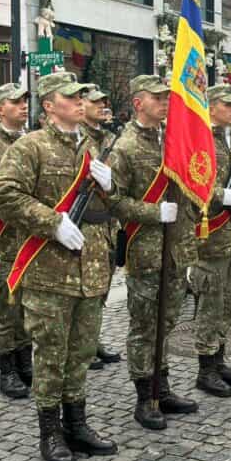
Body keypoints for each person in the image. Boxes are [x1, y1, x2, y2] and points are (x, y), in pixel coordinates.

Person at [0, 71, 118, 461]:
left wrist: (110, 187)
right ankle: (50, 432)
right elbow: (6, 195)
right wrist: (52, 223)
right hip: (49, 271)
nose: (81, 101)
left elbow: (103, 209)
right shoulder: (31, 147)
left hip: (91, 269)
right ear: (50, 105)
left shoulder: (91, 146)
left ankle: (77, 424)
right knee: (50, 355)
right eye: (72, 96)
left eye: (84, 95)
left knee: (80, 353)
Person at [109, 74, 199, 431]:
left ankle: (163, 388)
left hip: (175, 247)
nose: (165, 103)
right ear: (138, 103)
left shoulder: (172, 140)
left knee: (168, 322)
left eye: (167, 98)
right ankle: (144, 397)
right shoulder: (125, 146)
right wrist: (152, 212)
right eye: (158, 98)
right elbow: (113, 200)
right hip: (146, 250)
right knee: (145, 326)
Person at [191, 83, 231, 397]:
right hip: (213, 236)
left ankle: (219, 359)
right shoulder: (200, 137)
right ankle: (205, 369)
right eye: (227, 105)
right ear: (211, 106)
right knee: (210, 305)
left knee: (229, 304)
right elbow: (192, 182)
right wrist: (219, 194)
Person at [0, 82, 35, 401]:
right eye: (16, 102)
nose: (23, 106)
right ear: (0, 108)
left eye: (25, 101)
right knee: (5, 307)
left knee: (27, 306)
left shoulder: (32, 143)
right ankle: (8, 370)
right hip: (2, 242)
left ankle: (24, 361)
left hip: (30, 240)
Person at [80, 86, 123, 371]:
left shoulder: (108, 137)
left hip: (107, 225)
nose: (102, 106)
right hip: (84, 225)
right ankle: (84, 347)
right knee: (86, 291)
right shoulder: (79, 139)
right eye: (96, 102)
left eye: (104, 102)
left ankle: (93, 340)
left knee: (101, 290)